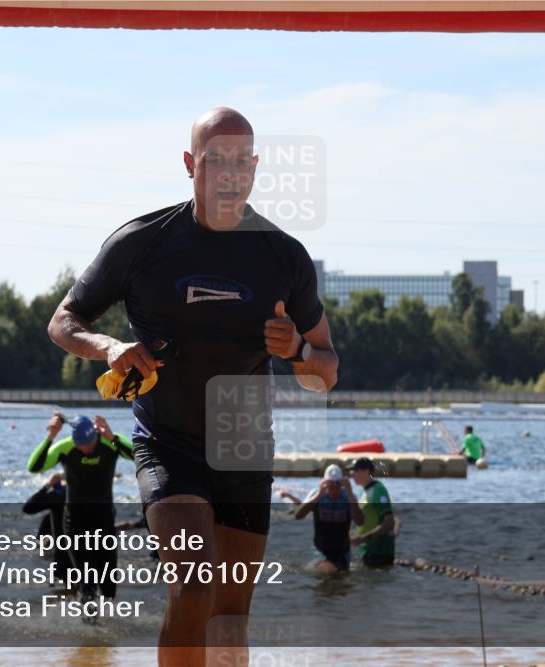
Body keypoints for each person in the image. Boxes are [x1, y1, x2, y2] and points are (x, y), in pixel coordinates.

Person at [47, 107, 338, 666]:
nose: (229, 173)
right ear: (189, 164)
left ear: (255, 168)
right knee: (195, 585)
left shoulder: (284, 256)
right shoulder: (142, 242)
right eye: (214, 160)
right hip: (167, 443)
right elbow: (63, 322)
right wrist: (109, 348)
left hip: (244, 450)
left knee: (230, 620)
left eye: (239, 162)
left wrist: (297, 351)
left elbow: (327, 369)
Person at [27, 412, 134, 602]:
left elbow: (137, 455)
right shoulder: (65, 447)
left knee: (109, 584)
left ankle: (109, 625)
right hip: (76, 522)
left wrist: (113, 437)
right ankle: (89, 626)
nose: (85, 450)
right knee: (88, 579)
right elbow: (35, 467)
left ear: (95, 436)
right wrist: (51, 436)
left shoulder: (110, 442)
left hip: (104, 521)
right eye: (80, 446)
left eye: (89, 445)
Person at [278, 464, 363, 574]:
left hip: (342, 551)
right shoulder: (317, 495)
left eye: (337, 484)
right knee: (323, 577)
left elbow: (360, 521)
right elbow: (298, 515)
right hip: (321, 550)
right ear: (324, 483)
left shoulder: (348, 497)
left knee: (342, 581)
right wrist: (319, 495)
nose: (333, 487)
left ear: (342, 484)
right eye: (330, 484)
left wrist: (350, 492)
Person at [21, 471, 73, 583]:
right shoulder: (95, 496)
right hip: (90, 560)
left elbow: (28, 508)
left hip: (63, 563)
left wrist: (48, 485)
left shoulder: (59, 495)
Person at [347, 457, 396, 568]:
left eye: (355, 470)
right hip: (367, 551)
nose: (351, 474)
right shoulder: (366, 492)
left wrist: (363, 539)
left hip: (378, 552)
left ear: (366, 472)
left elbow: (389, 522)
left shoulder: (378, 490)